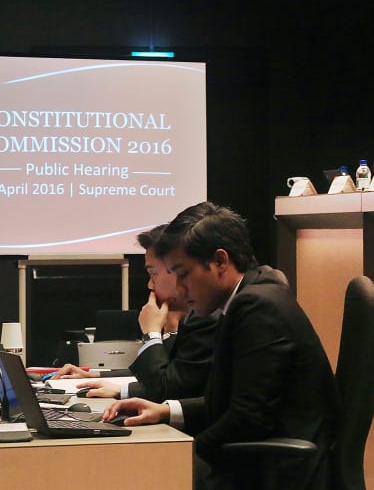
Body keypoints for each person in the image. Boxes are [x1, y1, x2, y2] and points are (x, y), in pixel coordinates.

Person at [102, 202, 338, 490]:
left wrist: (185, 451)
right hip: (265, 460)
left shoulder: (257, 307)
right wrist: (165, 411)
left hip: (280, 471)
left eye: (184, 274)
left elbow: (248, 419)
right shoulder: (251, 294)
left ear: (220, 261)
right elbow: (235, 404)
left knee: (137, 471)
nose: (179, 289)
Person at [51, 224, 218, 401]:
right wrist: (95, 375)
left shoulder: (207, 319)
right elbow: (171, 374)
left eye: (153, 274)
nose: (150, 285)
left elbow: (166, 388)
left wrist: (151, 334)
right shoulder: (190, 318)